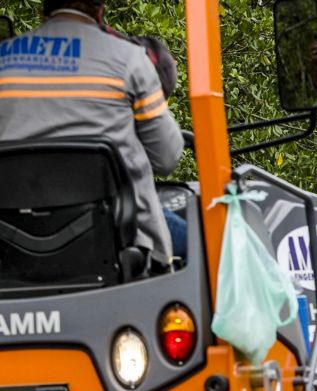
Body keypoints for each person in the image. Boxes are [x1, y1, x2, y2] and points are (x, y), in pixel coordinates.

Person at [0, 0, 184, 265]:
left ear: (43, 12)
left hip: (11, 250)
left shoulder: (3, 59)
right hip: (119, 246)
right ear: (100, 11)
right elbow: (166, 159)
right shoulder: (130, 60)